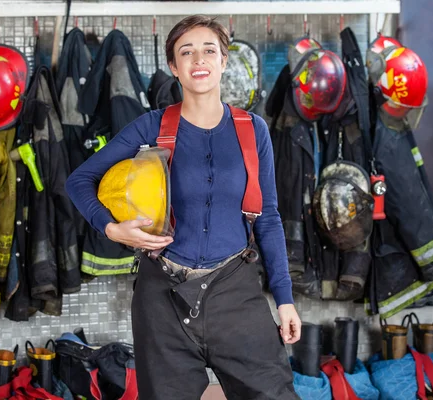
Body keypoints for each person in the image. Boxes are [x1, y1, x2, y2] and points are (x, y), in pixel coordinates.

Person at [66, 15, 301, 400]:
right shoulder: (151, 127)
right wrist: (111, 228)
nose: (199, 60)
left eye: (209, 50)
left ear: (224, 60)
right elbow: (78, 181)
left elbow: (269, 218)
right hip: (162, 297)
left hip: (235, 292)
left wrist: (285, 299)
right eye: (186, 52)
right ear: (174, 67)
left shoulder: (253, 130)